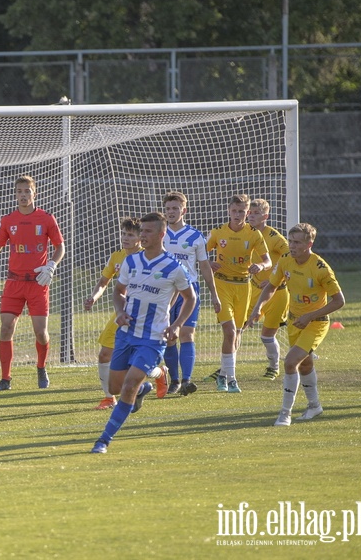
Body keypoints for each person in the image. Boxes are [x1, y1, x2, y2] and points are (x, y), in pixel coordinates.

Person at [90, 213, 196, 454]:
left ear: (161, 235)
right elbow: (118, 291)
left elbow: (191, 297)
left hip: (153, 337)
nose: (142, 236)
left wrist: (177, 324)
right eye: (142, 231)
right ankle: (149, 384)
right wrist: (119, 311)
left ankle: (103, 440)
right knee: (115, 387)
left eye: (147, 232)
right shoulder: (130, 262)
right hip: (126, 333)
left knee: (127, 388)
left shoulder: (173, 267)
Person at [245, 223, 344, 426]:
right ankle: (314, 406)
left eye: (297, 242)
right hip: (294, 321)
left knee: (290, 362)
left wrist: (310, 316)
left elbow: (339, 301)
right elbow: (271, 286)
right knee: (305, 364)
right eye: (290, 241)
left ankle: (285, 413)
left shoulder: (320, 268)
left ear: (309, 243)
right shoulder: (285, 260)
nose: (292, 246)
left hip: (315, 323)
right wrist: (257, 308)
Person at [0, 175, 65, 391]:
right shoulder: (8, 220)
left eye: (27, 191)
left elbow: (60, 246)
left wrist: (51, 265)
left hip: (38, 282)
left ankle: (41, 367)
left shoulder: (46, 218)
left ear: (35, 193)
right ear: (15, 194)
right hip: (13, 282)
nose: (23, 195)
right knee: (6, 329)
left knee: (40, 333)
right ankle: (5, 379)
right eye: (19, 191)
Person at [205, 194, 270, 393]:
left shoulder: (253, 234)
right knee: (230, 331)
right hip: (222, 285)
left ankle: (223, 376)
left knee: (237, 333)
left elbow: (268, 261)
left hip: (244, 286)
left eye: (242, 211)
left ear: (247, 212)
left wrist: (259, 265)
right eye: (234, 211)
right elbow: (199, 255)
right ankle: (232, 379)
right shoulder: (217, 232)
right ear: (228, 211)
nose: (237, 214)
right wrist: (209, 262)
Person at [161, 191, 221, 396]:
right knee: (170, 336)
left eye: (175, 208)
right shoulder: (160, 234)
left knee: (187, 334)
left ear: (183, 210)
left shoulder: (195, 236)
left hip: (189, 290)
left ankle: (187, 380)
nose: (171, 212)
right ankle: (174, 380)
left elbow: (204, 266)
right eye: (168, 208)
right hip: (165, 291)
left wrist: (214, 294)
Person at [83, 217, 142, 409]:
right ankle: (109, 398)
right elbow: (103, 282)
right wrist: (94, 297)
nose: (125, 238)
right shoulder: (116, 257)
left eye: (130, 235)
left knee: (139, 358)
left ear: (140, 237)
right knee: (104, 354)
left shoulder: (147, 256)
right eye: (123, 234)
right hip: (121, 312)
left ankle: (160, 373)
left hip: (143, 312)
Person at [245, 198, 290, 380]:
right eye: (250, 213)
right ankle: (226, 368)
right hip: (253, 289)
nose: (251, 216)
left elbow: (290, 257)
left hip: (276, 292)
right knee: (237, 327)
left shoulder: (274, 237)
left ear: (266, 216)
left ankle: (274, 367)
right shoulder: (246, 233)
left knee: (267, 335)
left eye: (256, 213)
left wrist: (274, 279)